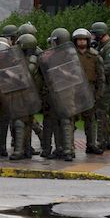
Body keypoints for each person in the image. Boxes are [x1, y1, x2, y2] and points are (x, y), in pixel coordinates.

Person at [11, 33, 42, 160]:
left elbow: (26, 74)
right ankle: (26, 149)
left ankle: (19, 151)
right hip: (21, 93)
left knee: (20, 121)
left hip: (27, 94)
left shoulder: (32, 61)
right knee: (27, 122)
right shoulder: (21, 58)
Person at [43, 28, 74, 160]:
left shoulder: (70, 55)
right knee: (56, 121)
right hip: (55, 91)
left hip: (66, 90)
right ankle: (60, 148)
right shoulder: (53, 54)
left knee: (65, 121)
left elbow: (73, 74)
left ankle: (67, 150)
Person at [73, 28, 105, 155]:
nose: (81, 42)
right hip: (74, 89)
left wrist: (99, 93)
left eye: (83, 39)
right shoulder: (70, 55)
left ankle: (91, 144)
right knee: (71, 120)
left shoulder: (95, 56)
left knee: (90, 120)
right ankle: (68, 145)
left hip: (90, 89)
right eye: (79, 40)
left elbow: (101, 76)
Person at [91, 21, 110, 150]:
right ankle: (109, 140)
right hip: (100, 84)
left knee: (101, 113)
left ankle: (101, 141)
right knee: (102, 113)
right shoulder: (101, 46)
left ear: (100, 34)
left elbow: (109, 67)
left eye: (94, 34)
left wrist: (95, 73)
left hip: (105, 85)